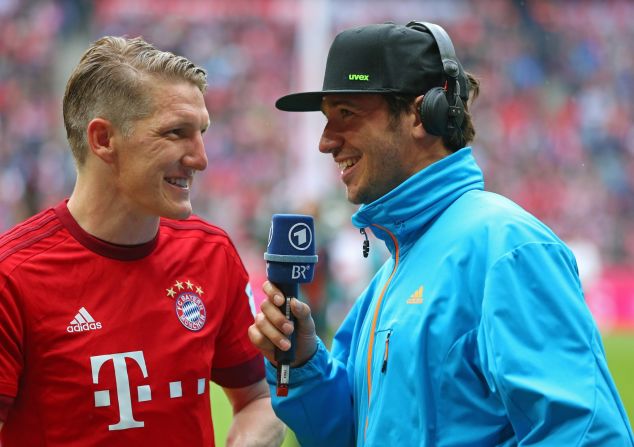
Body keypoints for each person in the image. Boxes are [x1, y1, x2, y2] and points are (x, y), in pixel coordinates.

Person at [248, 21, 634, 446]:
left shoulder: (507, 248)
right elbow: (356, 433)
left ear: (419, 114)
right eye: (326, 119)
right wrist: (306, 366)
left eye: (347, 114)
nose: (325, 142)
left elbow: (584, 435)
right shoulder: (389, 275)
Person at [0, 36, 285, 446]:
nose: (201, 158)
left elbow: (256, 399)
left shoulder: (211, 254)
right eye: (176, 133)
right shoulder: (14, 277)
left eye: (201, 132)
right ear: (103, 140)